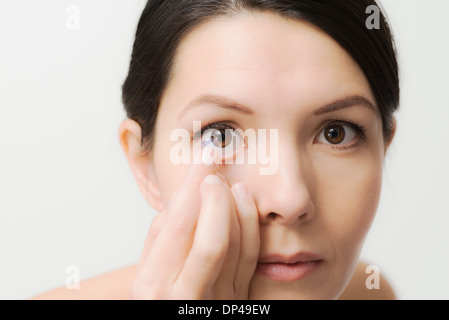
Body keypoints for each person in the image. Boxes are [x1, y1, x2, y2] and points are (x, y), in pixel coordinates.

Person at [34, 0, 399, 300]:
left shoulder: (369, 292)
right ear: (144, 163)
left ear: (383, 148)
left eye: (336, 133)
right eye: (221, 136)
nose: (289, 200)